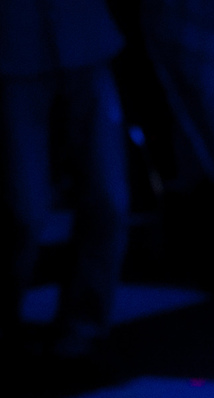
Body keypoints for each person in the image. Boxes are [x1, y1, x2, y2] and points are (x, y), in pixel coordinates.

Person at [1, 0, 129, 367]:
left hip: (84, 35)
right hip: (13, 44)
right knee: (24, 213)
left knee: (109, 200)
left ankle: (82, 330)